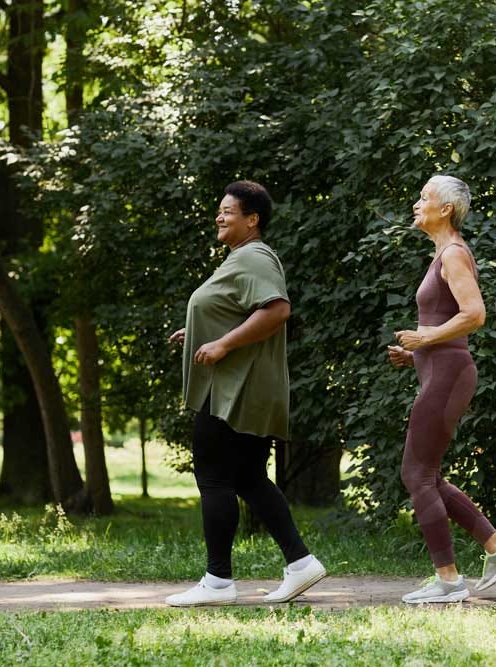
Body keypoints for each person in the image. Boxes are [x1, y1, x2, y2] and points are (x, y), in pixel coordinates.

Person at [165, 180, 325, 606]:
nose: (219, 216)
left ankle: (217, 582)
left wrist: (223, 344)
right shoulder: (242, 258)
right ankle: (300, 563)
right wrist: (201, 332)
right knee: (249, 478)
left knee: (214, 476)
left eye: (228, 211)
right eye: (219, 210)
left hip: (234, 391)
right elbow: (237, 309)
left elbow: (276, 309)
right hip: (243, 388)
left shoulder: (254, 257)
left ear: (252, 219)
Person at [388, 175, 496, 604]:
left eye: (424, 198)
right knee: (428, 475)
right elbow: (452, 324)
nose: (416, 204)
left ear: (446, 208)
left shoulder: (452, 254)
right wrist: (417, 355)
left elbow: (474, 314)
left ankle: (448, 581)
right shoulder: (444, 255)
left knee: (416, 474)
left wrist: (425, 340)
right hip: (440, 371)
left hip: (449, 375)